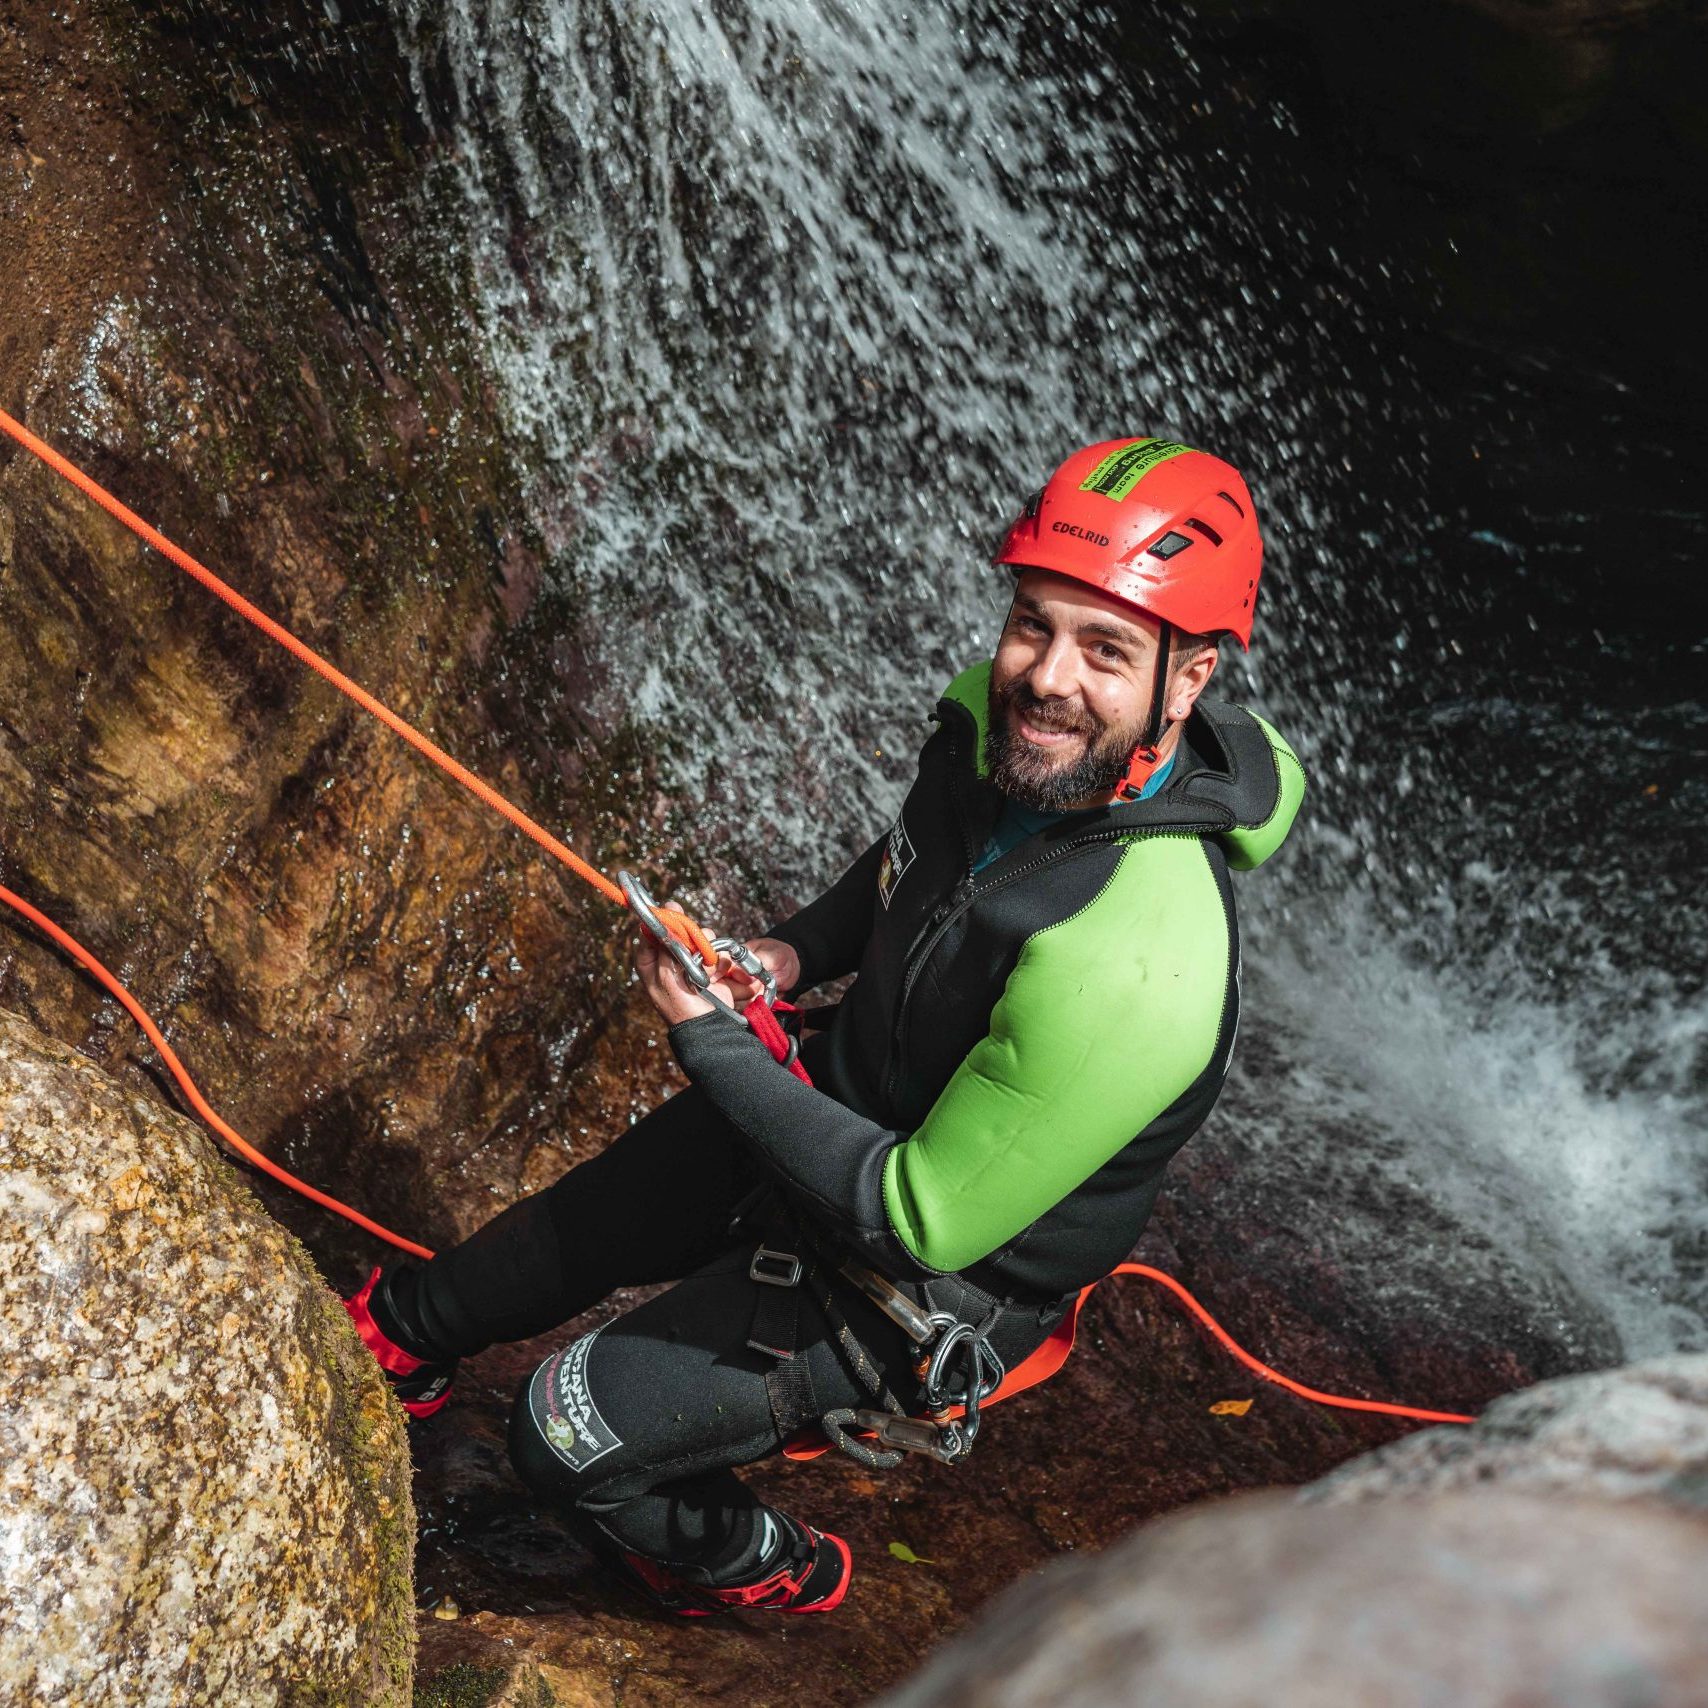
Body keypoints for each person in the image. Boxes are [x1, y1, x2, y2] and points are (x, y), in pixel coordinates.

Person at [344, 436, 1306, 1616]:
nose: (1047, 677)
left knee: (562, 1430)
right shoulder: (997, 722)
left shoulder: (1141, 955)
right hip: (837, 1108)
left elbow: (921, 1216)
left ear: (1190, 676)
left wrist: (712, 1042)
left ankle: (764, 1565)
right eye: (1032, 622)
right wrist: (787, 954)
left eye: (1105, 649)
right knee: (543, 1245)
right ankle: (405, 1339)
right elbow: (907, 871)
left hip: (918, 1277)